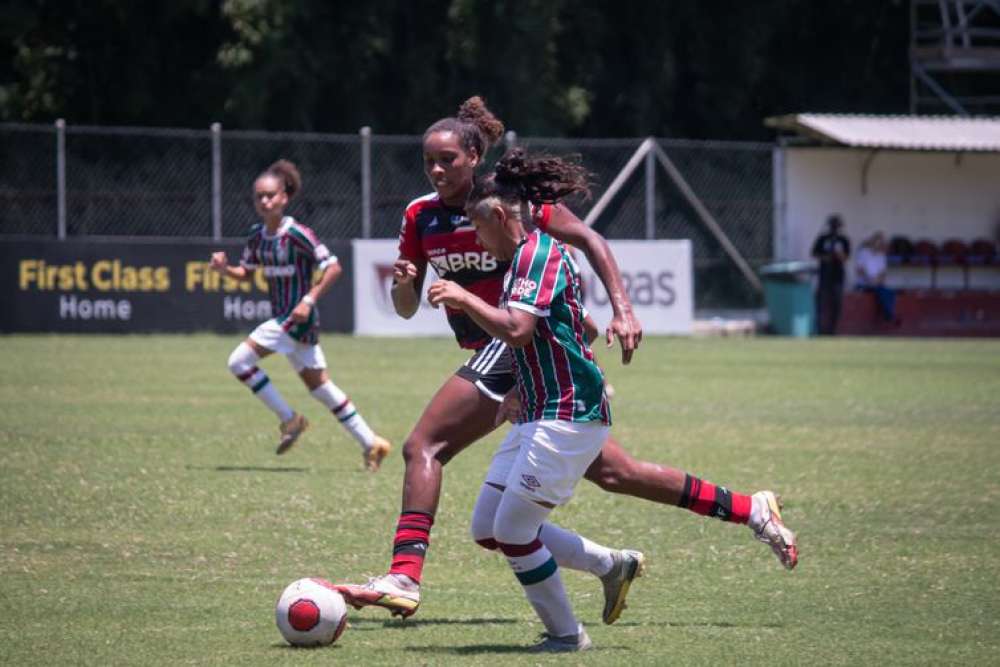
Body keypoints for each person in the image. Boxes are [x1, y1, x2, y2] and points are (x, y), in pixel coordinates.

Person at [335, 98, 797, 621]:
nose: (437, 170)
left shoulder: (514, 204)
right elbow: (404, 308)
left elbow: (591, 241)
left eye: (448, 160)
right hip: (518, 359)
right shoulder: (420, 216)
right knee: (616, 474)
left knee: (425, 444)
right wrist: (403, 282)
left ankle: (404, 575)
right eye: (429, 162)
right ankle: (734, 516)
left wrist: (622, 308)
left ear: (474, 156)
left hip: (515, 345)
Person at [209, 159, 392, 470]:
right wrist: (225, 269)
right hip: (288, 321)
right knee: (320, 387)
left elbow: (333, 267)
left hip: (295, 319)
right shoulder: (257, 236)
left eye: (271, 195)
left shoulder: (298, 234)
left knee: (238, 361)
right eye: (259, 197)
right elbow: (246, 273)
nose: (265, 201)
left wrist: (309, 298)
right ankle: (372, 442)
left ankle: (290, 419)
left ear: (285, 197)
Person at [811, 215, 851, 335]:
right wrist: (825, 257)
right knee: (821, 302)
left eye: (836, 226)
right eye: (833, 226)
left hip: (838, 276)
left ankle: (833, 330)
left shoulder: (843, 240)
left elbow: (846, 257)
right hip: (824, 275)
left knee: (837, 303)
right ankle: (819, 329)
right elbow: (814, 253)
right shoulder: (823, 239)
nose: (834, 229)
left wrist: (839, 255)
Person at [855, 231, 897, 323]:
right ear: (872, 242)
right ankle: (889, 315)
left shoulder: (882, 256)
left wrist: (878, 280)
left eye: (881, 243)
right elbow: (860, 270)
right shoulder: (863, 253)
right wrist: (870, 280)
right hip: (864, 283)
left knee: (890, 292)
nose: (879, 245)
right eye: (877, 242)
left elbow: (883, 273)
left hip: (877, 284)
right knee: (882, 292)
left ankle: (889, 314)